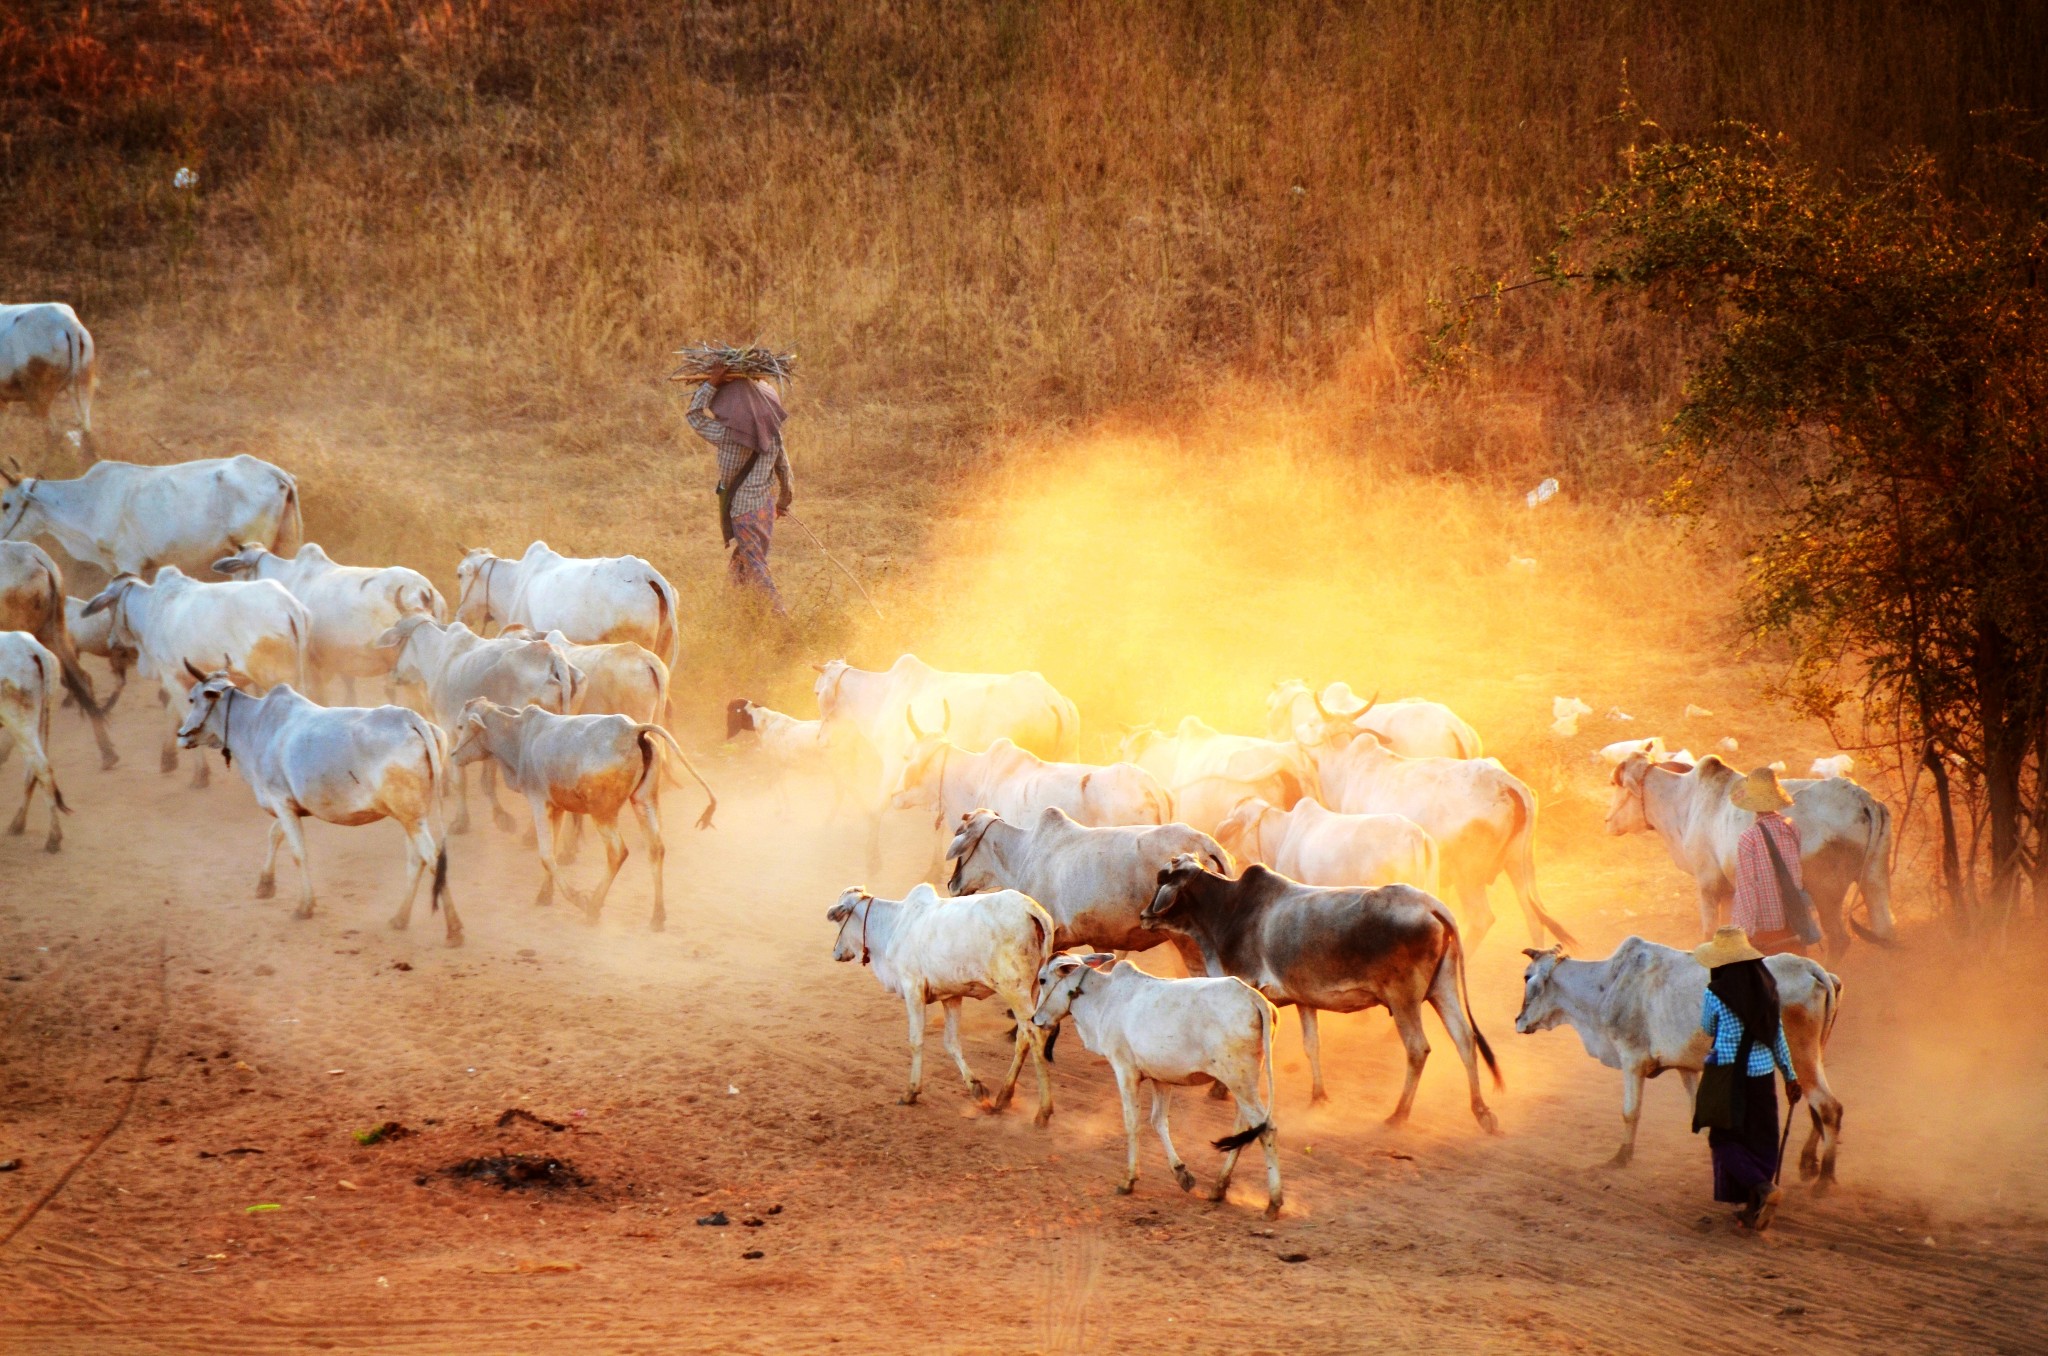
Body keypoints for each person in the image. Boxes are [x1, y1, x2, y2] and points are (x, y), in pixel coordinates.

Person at [1694, 925, 1802, 1231]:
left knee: (1723, 1139)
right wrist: (1790, 1077)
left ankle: (1763, 1188)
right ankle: (1753, 1207)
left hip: (1729, 1076)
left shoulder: (1715, 993)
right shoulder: (1769, 990)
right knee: (1761, 1139)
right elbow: (1777, 1036)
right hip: (1763, 1075)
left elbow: (1707, 1028)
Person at [685, 359, 794, 614]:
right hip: (765, 510)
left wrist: (711, 383)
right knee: (742, 561)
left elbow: (693, 415)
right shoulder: (773, 433)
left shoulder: (726, 435)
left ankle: (783, 620)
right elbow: (784, 471)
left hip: (743, 513)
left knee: (755, 565)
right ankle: (732, 614)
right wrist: (783, 503)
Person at [1729, 766, 1807, 954]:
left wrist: (1743, 931)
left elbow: (1747, 888)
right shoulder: (1790, 827)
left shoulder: (1748, 838)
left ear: (1751, 804)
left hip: (1767, 928)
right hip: (1793, 918)